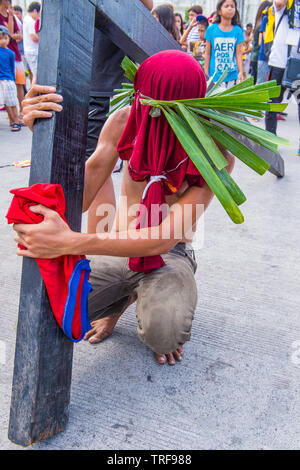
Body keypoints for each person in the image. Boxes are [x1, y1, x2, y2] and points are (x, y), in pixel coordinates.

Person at [16, 51, 235, 366]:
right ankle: (123, 298)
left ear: (195, 107)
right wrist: (45, 137)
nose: (153, 118)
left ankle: (156, 301)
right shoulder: (124, 121)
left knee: (164, 333)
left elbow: (163, 238)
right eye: (148, 108)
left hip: (170, 253)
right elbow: (82, 194)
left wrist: (70, 241)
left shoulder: (215, 150)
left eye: (168, 111)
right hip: (115, 246)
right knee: (44, 313)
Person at [86, 0, 153, 235]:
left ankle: (101, 248)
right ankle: (114, 245)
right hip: (116, 81)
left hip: (102, 81)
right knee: (126, 164)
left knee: (101, 168)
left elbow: (147, 5)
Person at [264, 0, 298, 135]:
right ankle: (270, 139)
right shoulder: (286, 5)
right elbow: (278, 3)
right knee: (272, 103)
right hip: (279, 62)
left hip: (297, 63)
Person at [204, 0, 244, 86]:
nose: (230, 9)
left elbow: (238, 54)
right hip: (214, 77)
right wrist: (206, 74)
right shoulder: (211, 29)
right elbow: (207, 54)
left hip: (232, 77)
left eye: (232, 6)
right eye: (226, 6)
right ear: (219, 11)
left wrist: (240, 72)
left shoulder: (238, 30)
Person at [0, 0, 25, 123]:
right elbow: (10, 35)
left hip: (14, 53)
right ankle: (12, 118)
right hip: (2, 54)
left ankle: (22, 113)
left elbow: (17, 36)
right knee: (4, 88)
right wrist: (11, 36)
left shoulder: (12, 16)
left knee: (19, 84)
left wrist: (10, 16)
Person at [0, 25, 21, 131]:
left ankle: (16, 122)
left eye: (5, 38)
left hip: (8, 80)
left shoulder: (10, 53)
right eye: (0, 38)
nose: (3, 41)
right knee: (5, 102)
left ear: (9, 39)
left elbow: (12, 68)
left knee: (12, 101)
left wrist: (13, 80)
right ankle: (12, 120)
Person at [251, 1, 272, 84]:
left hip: (255, 56)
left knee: (255, 82)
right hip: (259, 56)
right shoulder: (263, 23)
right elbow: (260, 42)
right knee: (259, 82)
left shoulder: (257, 24)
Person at [23, 1, 40, 86]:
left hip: (30, 50)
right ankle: (34, 93)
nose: (39, 16)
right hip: (32, 51)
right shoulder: (30, 21)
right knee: (36, 75)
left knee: (35, 74)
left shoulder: (26, 19)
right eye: (39, 13)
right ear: (35, 11)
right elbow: (33, 37)